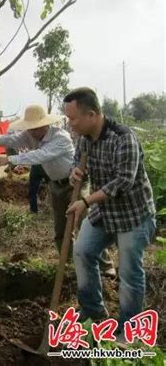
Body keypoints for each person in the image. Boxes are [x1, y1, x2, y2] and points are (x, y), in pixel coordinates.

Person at [64, 87, 156, 330]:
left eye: (73, 118)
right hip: (104, 213)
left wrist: (85, 201)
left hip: (133, 215)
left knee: (129, 273)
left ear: (92, 114)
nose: (70, 124)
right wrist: (76, 173)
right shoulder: (83, 139)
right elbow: (77, 164)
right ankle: (93, 311)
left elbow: (123, 181)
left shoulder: (124, 137)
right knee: (82, 251)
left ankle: (129, 329)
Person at [0, 104, 115, 277]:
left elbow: (40, 155)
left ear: (44, 124)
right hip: (55, 185)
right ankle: (71, 265)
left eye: (35, 128)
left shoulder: (60, 137)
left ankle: (106, 265)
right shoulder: (29, 135)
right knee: (60, 229)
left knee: (87, 224)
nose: (32, 132)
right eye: (30, 128)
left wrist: (10, 159)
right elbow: (12, 140)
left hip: (75, 184)